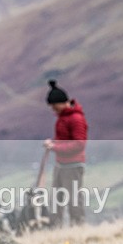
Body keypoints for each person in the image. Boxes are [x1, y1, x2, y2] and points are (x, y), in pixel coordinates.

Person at [43, 79, 88, 227]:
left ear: (62, 103)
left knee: (73, 201)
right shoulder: (62, 119)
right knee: (56, 200)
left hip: (73, 166)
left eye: (54, 106)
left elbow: (79, 144)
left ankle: (78, 229)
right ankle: (55, 230)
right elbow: (64, 139)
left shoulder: (76, 119)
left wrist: (54, 147)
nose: (53, 110)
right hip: (61, 164)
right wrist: (53, 143)